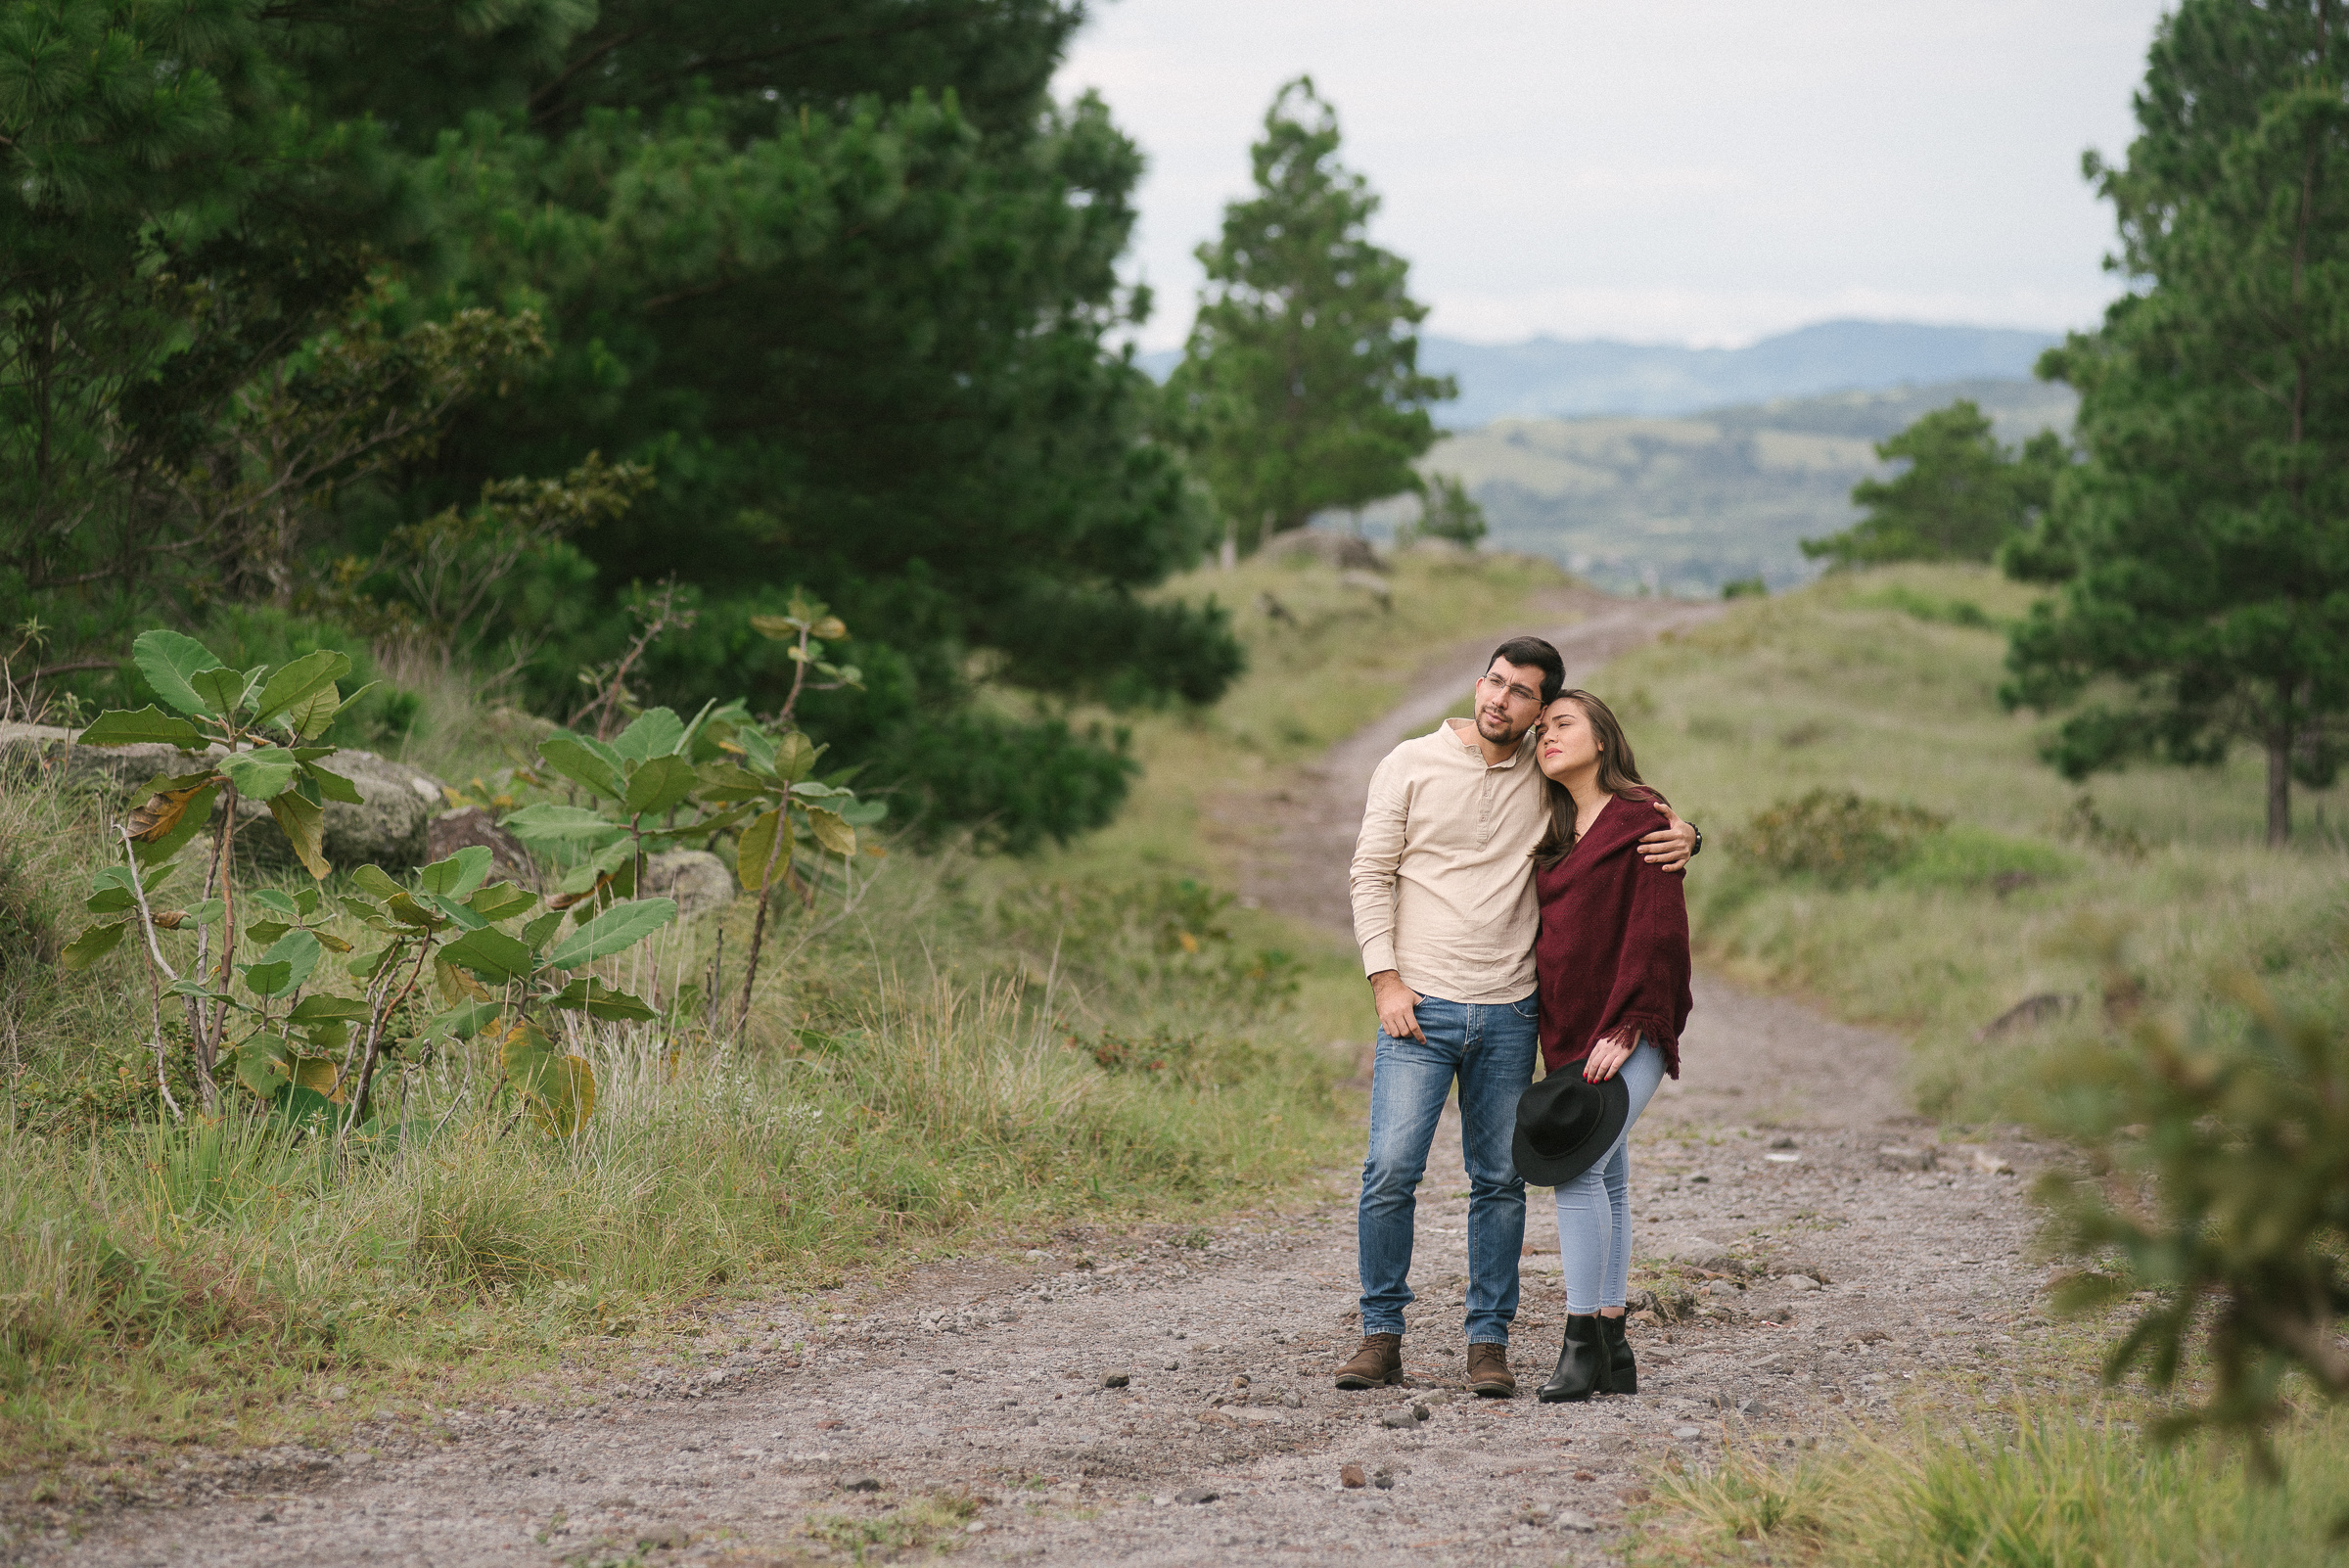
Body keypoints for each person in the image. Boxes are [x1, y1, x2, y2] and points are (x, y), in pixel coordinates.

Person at [1336, 639, 1700, 1400]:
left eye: (1521, 693)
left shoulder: (1546, 775)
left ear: (1538, 714)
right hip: (1418, 1008)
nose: (1500, 699)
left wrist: (1691, 833)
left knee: (1500, 1181)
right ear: (1479, 684)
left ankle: (1489, 1345)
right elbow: (1370, 873)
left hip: (1510, 1012)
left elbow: (1626, 815)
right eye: (1494, 683)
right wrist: (1384, 980)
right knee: (1390, 1171)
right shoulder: (1408, 763)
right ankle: (1380, 1336)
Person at [1516, 688, 1693, 1403]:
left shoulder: (1640, 819)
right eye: (1540, 730)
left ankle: (1580, 1340)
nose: (1548, 738)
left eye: (1563, 725)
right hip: (1569, 1032)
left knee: (1575, 1167)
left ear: (1602, 739)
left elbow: (1659, 932)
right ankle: (1615, 1346)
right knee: (1607, 1174)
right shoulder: (1557, 826)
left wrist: (1629, 1025)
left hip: (1630, 1030)